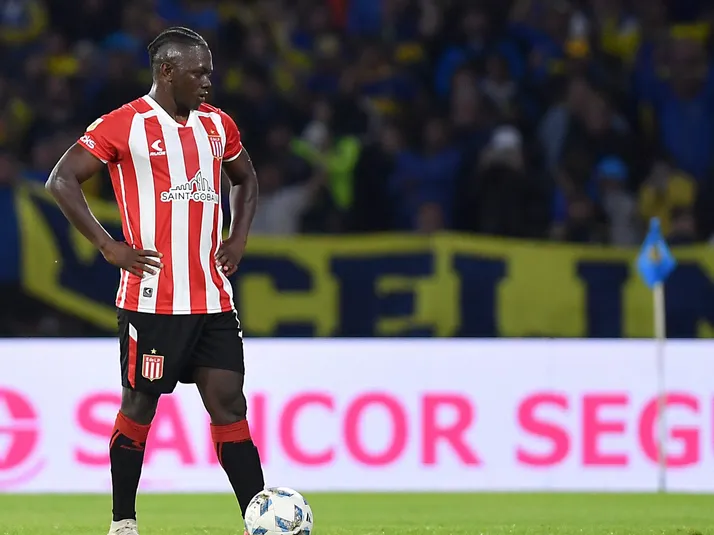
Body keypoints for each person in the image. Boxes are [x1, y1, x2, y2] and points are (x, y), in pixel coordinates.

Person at [45, 27, 263, 535]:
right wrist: (108, 246)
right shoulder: (125, 124)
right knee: (139, 406)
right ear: (167, 72)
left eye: (209, 72)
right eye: (198, 72)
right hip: (152, 301)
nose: (207, 81)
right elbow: (61, 179)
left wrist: (237, 238)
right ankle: (123, 521)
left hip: (212, 299)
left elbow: (246, 180)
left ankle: (259, 519)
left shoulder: (218, 125)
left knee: (229, 403)